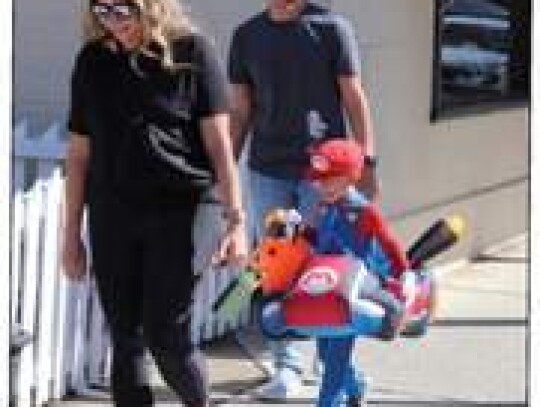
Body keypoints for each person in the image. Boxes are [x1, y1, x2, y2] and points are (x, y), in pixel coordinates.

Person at [61, 1, 247, 406]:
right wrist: (70, 236)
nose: (114, 23)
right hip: (114, 211)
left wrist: (236, 222)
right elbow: (78, 156)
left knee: (165, 334)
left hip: (185, 209)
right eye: (103, 12)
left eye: (123, 10)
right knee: (125, 338)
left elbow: (219, 148)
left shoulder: (193, 52)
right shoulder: (92, 62)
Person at [228, 0, 378, 399]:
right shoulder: (246, 36)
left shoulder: (331, 29)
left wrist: (366, 164)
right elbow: (241, 109)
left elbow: (354, 97)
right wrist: (223, 172)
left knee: (325, 270)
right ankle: (287, 366)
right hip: (266, 171)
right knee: (274, 267)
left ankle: (337, 370)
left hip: (323, 175)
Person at [306, 138, 409, 406]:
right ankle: (356, 384)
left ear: (350, 177)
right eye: (318, 179)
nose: (321, 185)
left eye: (329, 179)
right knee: (325, 352)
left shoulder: (364, 211)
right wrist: (298, 232)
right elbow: (318, 239)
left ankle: (330, 400)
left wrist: (401, 274)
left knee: (337, 352)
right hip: (326, 287)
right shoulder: (324, 206)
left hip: (351, 290)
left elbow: (390, 243)